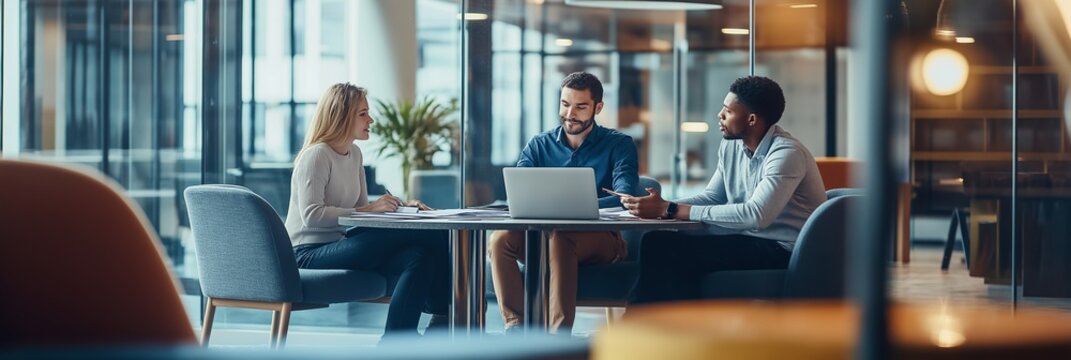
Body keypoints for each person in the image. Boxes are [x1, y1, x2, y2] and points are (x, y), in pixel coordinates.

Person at [623, 76, 827, 303]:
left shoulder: (786, 154)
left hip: (783, 249)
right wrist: (662, 206)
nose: (719, 115)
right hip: (748, 239)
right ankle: (672, 326)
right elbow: (713, 196)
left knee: (666, 248)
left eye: (728, 111)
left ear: (751, 119)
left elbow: (756, 215)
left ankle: (647, 325)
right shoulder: (732, 146)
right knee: (658, 240)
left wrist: (671, 209)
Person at [283, 83, 449, 339]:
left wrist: (401, 207)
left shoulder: (355, 154)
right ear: (341, 115)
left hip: (339, 243)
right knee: (430, 233)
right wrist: (368, 208)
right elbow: (312, 215)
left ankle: (397, 339)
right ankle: (445, 315)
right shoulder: (316, 156)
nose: (370, 119)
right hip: (306, 253)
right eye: (363, 113)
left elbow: (361, 211)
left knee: (420, 253)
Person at [488, 72, 639, 334]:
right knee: (500, 240)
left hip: (602, 239)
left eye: (580, 107)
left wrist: (581, 207)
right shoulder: (539, 145)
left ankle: (558, 339)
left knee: (561, 238)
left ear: (597, 107)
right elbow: (519, 190)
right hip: (540, 238)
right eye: (565, 104)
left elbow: (623, 198)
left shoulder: (620, 144)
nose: (570, 113)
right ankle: (516, 328)